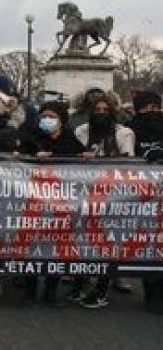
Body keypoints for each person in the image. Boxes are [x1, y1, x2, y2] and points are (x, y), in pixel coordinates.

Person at [19, 101, 85, 306]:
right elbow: (18, 159)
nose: (47, 120)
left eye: (52, 116)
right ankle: (30, 292)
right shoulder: (32, 139)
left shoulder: (71, 142)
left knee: (58, 244)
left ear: (62, 120)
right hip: (34, 200)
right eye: (44, 116)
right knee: (33, 242)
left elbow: (81, 164)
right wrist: (32, 157)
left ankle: (50, 291)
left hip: (61, 203)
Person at [72, 93, 135, 308]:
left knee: (106, 240)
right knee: (81, 236)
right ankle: (80, 281)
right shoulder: (81, 131)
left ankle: (101, 286)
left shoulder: (123, 133)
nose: (100, 114)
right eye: (97, 110)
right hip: (84, 191)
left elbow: (128, 162)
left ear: (112, 112)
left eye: (104, 110)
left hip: (111, 193)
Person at [126, 91, 163, 313]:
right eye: (146, 108)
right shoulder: (130, 128)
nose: (151, 111)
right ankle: (152, 292)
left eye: (154, 107)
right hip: (144, 192)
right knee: (149, 240)